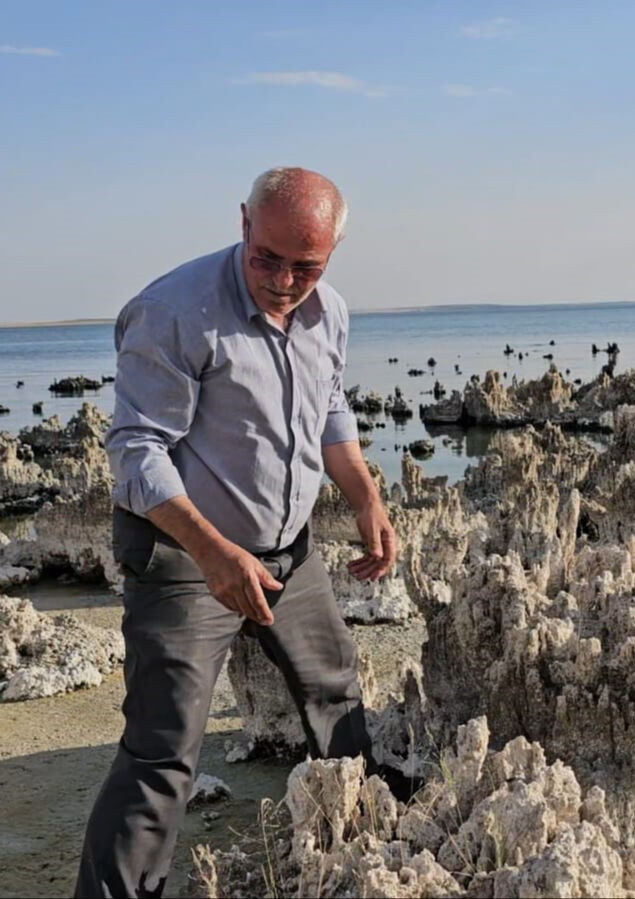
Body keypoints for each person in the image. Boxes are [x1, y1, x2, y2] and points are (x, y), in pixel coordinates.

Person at [76, 167, 401, 898]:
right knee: (163, 748)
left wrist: (364, 498)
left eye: (305, 267)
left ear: (333, 252)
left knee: (336, 694)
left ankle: (367, 858)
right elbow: (136, 451)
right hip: (183, 555)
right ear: (244, 223)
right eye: (267, 258)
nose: (284, 282)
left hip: (289, 549)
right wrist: (212, 552)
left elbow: (330, 409)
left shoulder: (328, 312)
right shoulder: (173, 311)